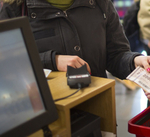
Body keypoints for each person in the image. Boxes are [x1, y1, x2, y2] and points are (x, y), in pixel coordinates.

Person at [0, 0, 150, 101]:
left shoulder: (101, 4)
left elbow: (116, 54)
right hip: (46, 116)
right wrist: (52, 60)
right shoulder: (15, 9)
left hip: (98, 110)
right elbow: (6, 64)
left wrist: (135, 61)